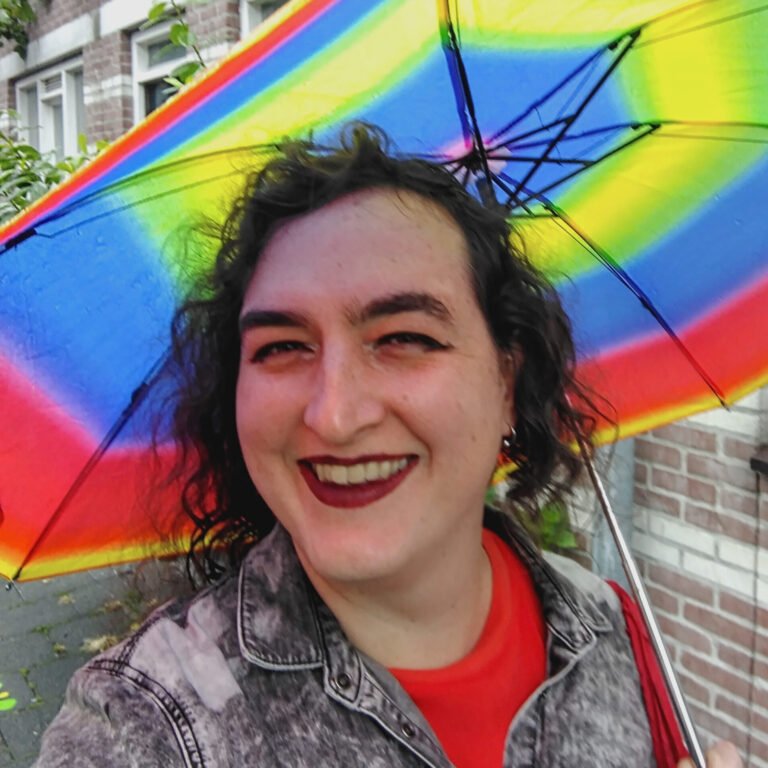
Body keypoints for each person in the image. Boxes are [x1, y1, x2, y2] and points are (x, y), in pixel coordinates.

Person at [34, 125, 742, 767]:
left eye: (404, 337)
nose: (335, 416)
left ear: (505, 379)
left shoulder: (611, 627)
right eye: (282, 347)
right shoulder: (145, 724)